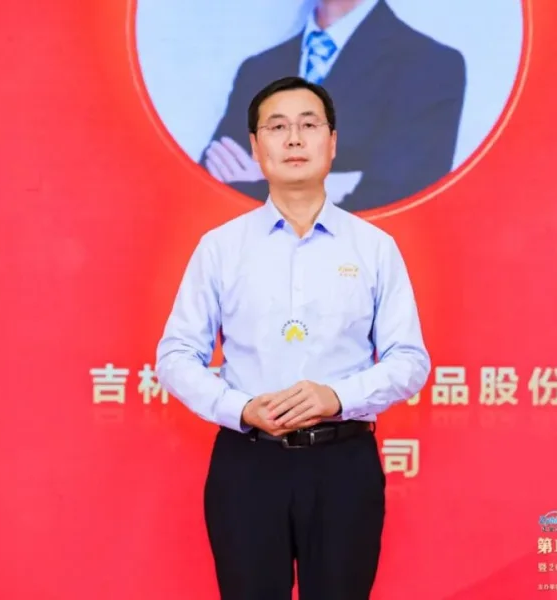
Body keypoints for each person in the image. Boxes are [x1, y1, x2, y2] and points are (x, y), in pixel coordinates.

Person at [156, 76, 430, 599]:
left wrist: (337, 397)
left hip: (343, 462)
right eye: (277, 127)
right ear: (256, 147)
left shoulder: (374, 248)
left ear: (333, 141)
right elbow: (176, 355)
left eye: (309, 125)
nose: (295, 139)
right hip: (248, 461)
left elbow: (409, 359)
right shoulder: (220, 248)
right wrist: (240, 408)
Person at [201, 0, 466, 212]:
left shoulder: (430, 65)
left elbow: (398, 195)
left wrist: (268, 179)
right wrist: (339, 182)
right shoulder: (258, 70)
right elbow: (213, 185)